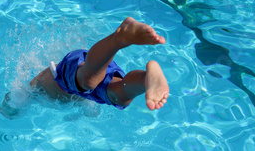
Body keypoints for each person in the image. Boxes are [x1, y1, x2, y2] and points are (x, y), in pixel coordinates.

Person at [29, 17, 169, 110]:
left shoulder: (34, 87)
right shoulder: (78, 96)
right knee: (119, 96)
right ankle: (146, 80)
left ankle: (119, 38)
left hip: (73, 71)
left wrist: (9, 110)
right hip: (95, 70)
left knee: (87, 81)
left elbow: (13, 100)